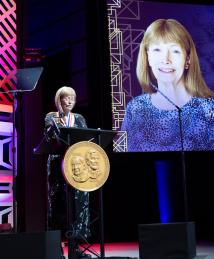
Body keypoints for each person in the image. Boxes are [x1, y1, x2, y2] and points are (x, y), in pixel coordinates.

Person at [121, 18, 214, 151]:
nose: (166, 60)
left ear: (187, 59)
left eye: (175, 51)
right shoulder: (135, 109)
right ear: (148, 58)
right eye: (157, 50)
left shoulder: (209, 109)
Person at [44, 86, 91, 258]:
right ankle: (56, 249)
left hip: (76, 166)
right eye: (66, 97)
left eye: (73, 97)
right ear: (59, 100)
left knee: (77, 205)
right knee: (57, 205)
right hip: (57, 165)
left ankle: (75, 248)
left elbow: (86, 139)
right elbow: (50, 137)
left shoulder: (79, 118)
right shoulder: (51, 117)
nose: (70, 101)